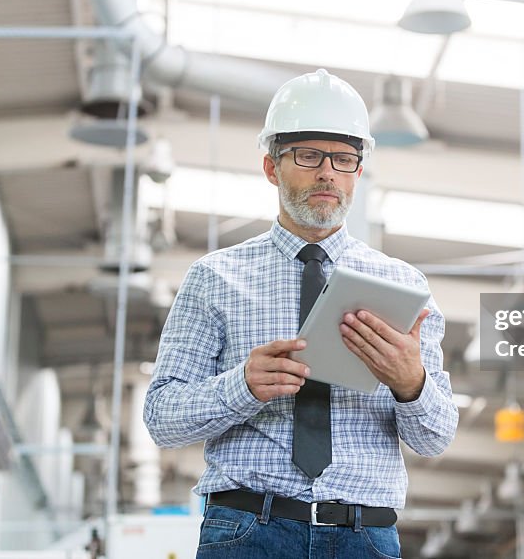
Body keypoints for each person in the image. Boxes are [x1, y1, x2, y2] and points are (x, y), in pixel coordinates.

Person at [144, 68, 458, 559]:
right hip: (247, 530)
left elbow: (436, 437)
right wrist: (242, 386)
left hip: (364, 537)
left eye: (344, 159)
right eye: (309, 156)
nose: (327, 172)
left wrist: (409, 382)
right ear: (272, 167)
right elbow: (162, 419)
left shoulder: (405, 286)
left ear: (359, 170)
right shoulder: (214, 278)